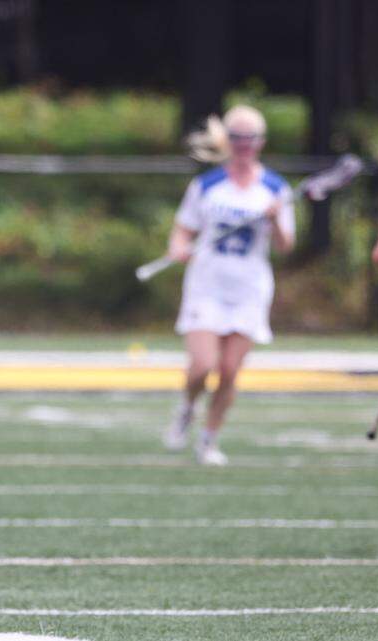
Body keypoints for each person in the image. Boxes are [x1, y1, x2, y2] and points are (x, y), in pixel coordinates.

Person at [161, 105, 295, 465]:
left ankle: (209, 439)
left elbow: (285, 246)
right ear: (227, 140)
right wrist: (178, 248)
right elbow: (183, 230)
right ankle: (187, 406)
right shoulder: (206, 186)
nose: (243, 144)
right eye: (236, 137)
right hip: (207, 286)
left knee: (230, 371)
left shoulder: (275, 189)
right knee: (202, 365)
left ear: (261, 142)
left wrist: (275, 220)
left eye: (250, 138)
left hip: (249, 290)